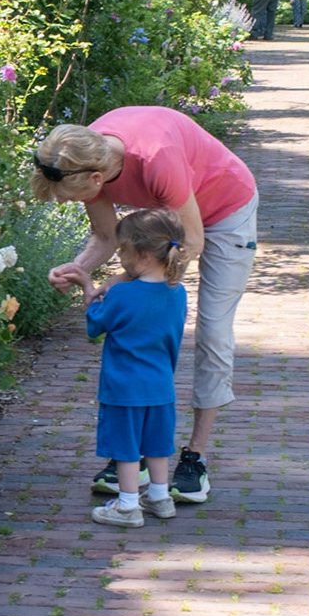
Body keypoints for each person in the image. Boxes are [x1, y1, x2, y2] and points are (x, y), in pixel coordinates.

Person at [33, 105, 259, 504]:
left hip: (225, 209)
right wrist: (78, 269)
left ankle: (195, 458)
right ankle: (133, 457)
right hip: (169, 225)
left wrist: (123, 284)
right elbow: (106, 237)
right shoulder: (84, 154)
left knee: (211, 331)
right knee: (141, 331)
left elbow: (191, 242)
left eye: (72, 196)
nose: (68, 203)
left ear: (97, 178)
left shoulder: (155, 158)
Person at [85, 209, 189, 528]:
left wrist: (91, 291)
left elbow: (95, 325)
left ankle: (128, 505)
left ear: (141, 255)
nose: (121, 260)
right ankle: (160, 497)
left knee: (126, 447)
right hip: (160, 385)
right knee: (157, 445)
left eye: (123, 253)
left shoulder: (123, 293)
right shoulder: (178, 292)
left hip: (123, 386)